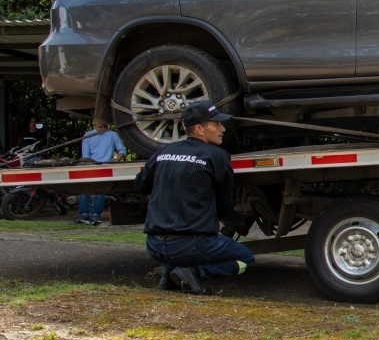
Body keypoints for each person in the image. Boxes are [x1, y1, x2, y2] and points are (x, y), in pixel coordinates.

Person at [134, 100, 254, 295]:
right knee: (246, 260)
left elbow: (140, 185)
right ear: (199, 129)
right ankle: (193, 272)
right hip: (190, 245)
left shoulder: (164, 152)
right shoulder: (217, 156)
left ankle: (169, 277)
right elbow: (224, 205)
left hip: (154, 244)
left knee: (181, 246)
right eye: (216, 124)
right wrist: (236, 219)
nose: (222, 129)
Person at [77, 121, 126, 225]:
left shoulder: (112, 134)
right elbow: (85, 155)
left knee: (100, 191)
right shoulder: (88, 135)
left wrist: (114, 162)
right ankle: (83, 215)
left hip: (105, 165)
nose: (99, 126)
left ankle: (95, 215)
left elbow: (121, 151)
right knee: (85, 189)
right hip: (91, 164)